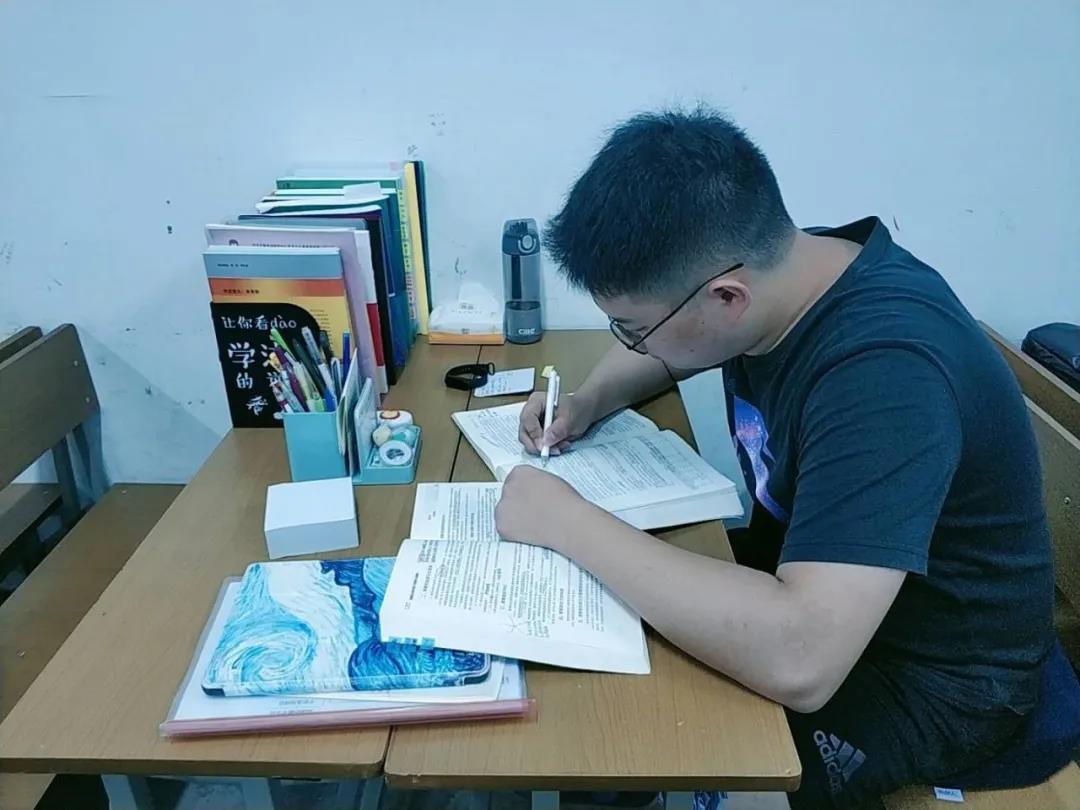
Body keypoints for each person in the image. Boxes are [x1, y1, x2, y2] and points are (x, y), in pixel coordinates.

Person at [494, 107, 1054, 809]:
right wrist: (588, 399)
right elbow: (675, 345)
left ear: (727, 297)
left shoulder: (886, 376)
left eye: (633, 329)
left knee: (620, 731)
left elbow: (802, 659)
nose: (633, 345)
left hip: (929, 679)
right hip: (818, 588)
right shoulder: (790, 269)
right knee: (593, 672)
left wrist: (566, 521)